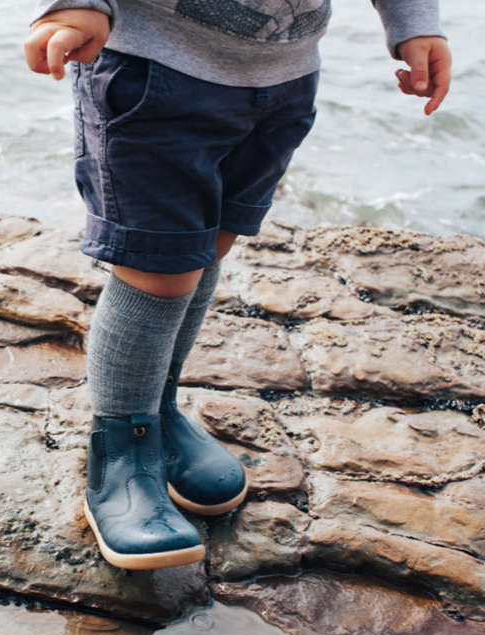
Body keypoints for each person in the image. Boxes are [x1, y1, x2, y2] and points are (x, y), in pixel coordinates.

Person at [24, 0, 452, 571]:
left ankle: (156, 408)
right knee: (158, 266)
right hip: (157, 75)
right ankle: (121, 456)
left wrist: (412, 22)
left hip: (284, 79)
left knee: (209, 245)